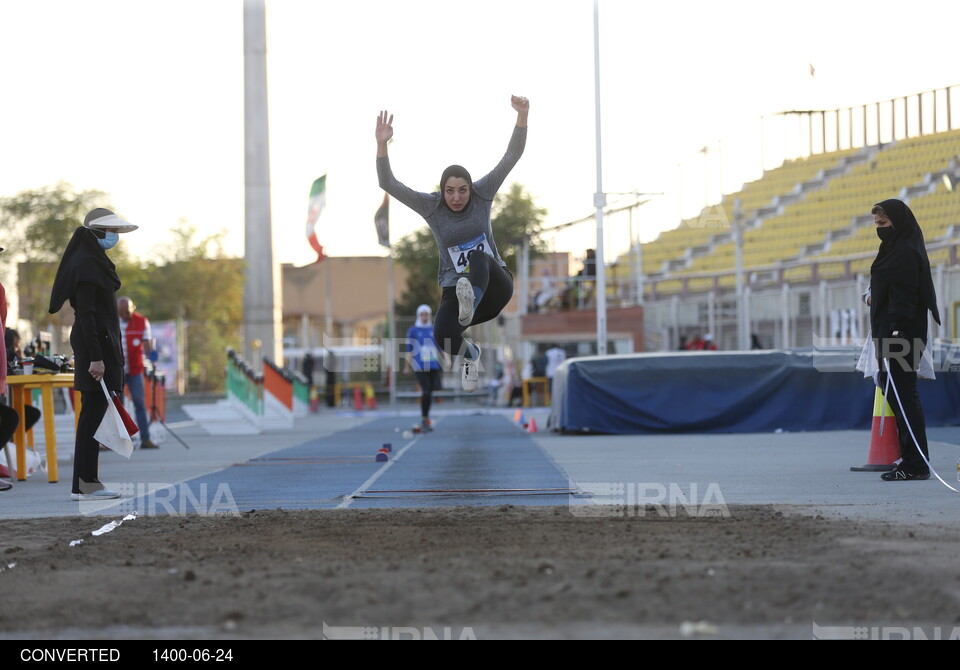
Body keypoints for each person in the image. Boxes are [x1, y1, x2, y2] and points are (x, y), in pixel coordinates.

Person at [376, 95, 529, 392]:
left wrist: (521, 117)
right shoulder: (431, 206)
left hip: (495, 287)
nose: (456, 197)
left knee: (479, 257)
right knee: (441, 334)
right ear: (442, 191)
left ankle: (470, 298)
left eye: (462, 191)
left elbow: (511, 155)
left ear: (470, 188)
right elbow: (388, 184)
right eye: (450, 191)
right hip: (454, 290)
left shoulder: (483, 194)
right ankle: (471, 355)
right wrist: (382, 145)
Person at [48, 208, 138, 501]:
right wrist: (96, 358)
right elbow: (86, 315)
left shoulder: (93, 262)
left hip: (100, 345)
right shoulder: (86, 264)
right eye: (112, 233)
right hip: (94, 348)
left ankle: (87, 482)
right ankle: (85, 484)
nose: (115, 238)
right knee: (90, 418)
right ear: (97, 233)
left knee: (92, 417)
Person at [869, 199, 941, 482]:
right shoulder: (893, 249)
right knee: (894, 392)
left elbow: (906, 297)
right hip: (891, 333)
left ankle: (916, 464)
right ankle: (911, 458)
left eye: (884, 224)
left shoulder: (905, 252)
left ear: (897, 223)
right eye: (876, 224)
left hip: (900, 335)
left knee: (904, 394)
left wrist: (896, 333)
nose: (879, 229)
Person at [2, 328, 42, 481]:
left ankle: (11, 442)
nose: (18, 346)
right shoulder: (8, 354)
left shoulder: (10, 354)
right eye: (16, 344)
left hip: (7, 397)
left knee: (27, 413)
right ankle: (10, 441)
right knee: (17, 415)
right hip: (6, 398)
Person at [118, 296, 158, 449]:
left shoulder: (142, 322)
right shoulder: (113, 322)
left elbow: (147, 345)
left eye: (127, 312)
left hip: (135, 370)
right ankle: (119, 441)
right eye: (121, 313)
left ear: (132, 308)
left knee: (139, 404)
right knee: (117, 406)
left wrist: (152, 357)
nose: (124, 316)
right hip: (118, 370)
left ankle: (145, 438)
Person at [403, 304, 443, 433]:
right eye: (422, 314)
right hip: (420, 365)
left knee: (431, 392)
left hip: (433, 365)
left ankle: (425, 418)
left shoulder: (433, 329)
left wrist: (447, 360)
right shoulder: (413, 331)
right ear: (419, 315)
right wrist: (407, 366)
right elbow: (409, 349)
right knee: (426, 391)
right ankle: (424, 419)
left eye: (427, 314)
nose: (425, 317)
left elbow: (440, 347)